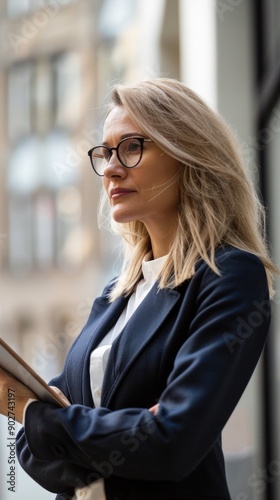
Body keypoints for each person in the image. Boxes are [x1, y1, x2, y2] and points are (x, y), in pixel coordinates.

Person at [0, 78, 278, 500]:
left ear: (188, 153)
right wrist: (119, 430)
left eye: (132, 147)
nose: (111, 167)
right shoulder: (117, 293)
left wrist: (41, 416)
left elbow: (172, 441)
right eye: (105, 152)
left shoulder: (231, 275)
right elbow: (31, 453)